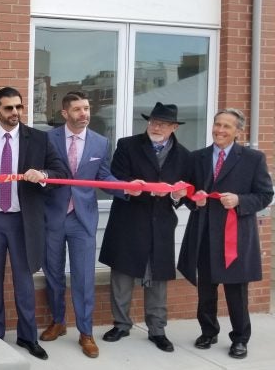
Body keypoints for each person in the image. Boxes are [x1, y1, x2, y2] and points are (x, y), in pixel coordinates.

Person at [0, 87, 68, 360]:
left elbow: (60, 171)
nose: (15, 113)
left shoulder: (39, 139)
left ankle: (27, 336)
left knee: (24, 281)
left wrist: (43, 174)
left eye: (19, 107)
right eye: (9, 108)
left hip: (23, 220)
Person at [40, 91, 136, 358]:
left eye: (87, 108)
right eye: (78, 109)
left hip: (83, 220)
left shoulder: (100, 143)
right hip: (54, 217)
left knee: (83, 277)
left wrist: (127, 189)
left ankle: (86, 332)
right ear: (65, 113)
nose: (84, 114)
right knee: (53, 274)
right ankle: (58, 322)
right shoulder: (48, 139)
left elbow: (104, 176)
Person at [177, 108, 273, 359]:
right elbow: (188, 189)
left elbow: (265, 195)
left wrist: (240, 200)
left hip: (235, 237)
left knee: (235, 292)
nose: (219, 130)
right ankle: (208, 331)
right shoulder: (198, 157)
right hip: (204, 233)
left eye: (226, 126)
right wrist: (192, 199)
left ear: (238, 131)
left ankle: (240, 338)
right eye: (217, 124)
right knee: (206, 289)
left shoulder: (253, 158)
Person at [98, 101, 190, 353]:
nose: (156, 126)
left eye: (162, 123)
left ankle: (157, 329)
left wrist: (174, 195)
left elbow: (184, 195)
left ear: (174, 127)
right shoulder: (127, 145)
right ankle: (121, 324)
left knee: (158, 277)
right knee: (122, 275)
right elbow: (114, 178)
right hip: (129, 219)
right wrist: (131, 186)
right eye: (152, 121)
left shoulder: (184, 155)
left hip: (160, 223)